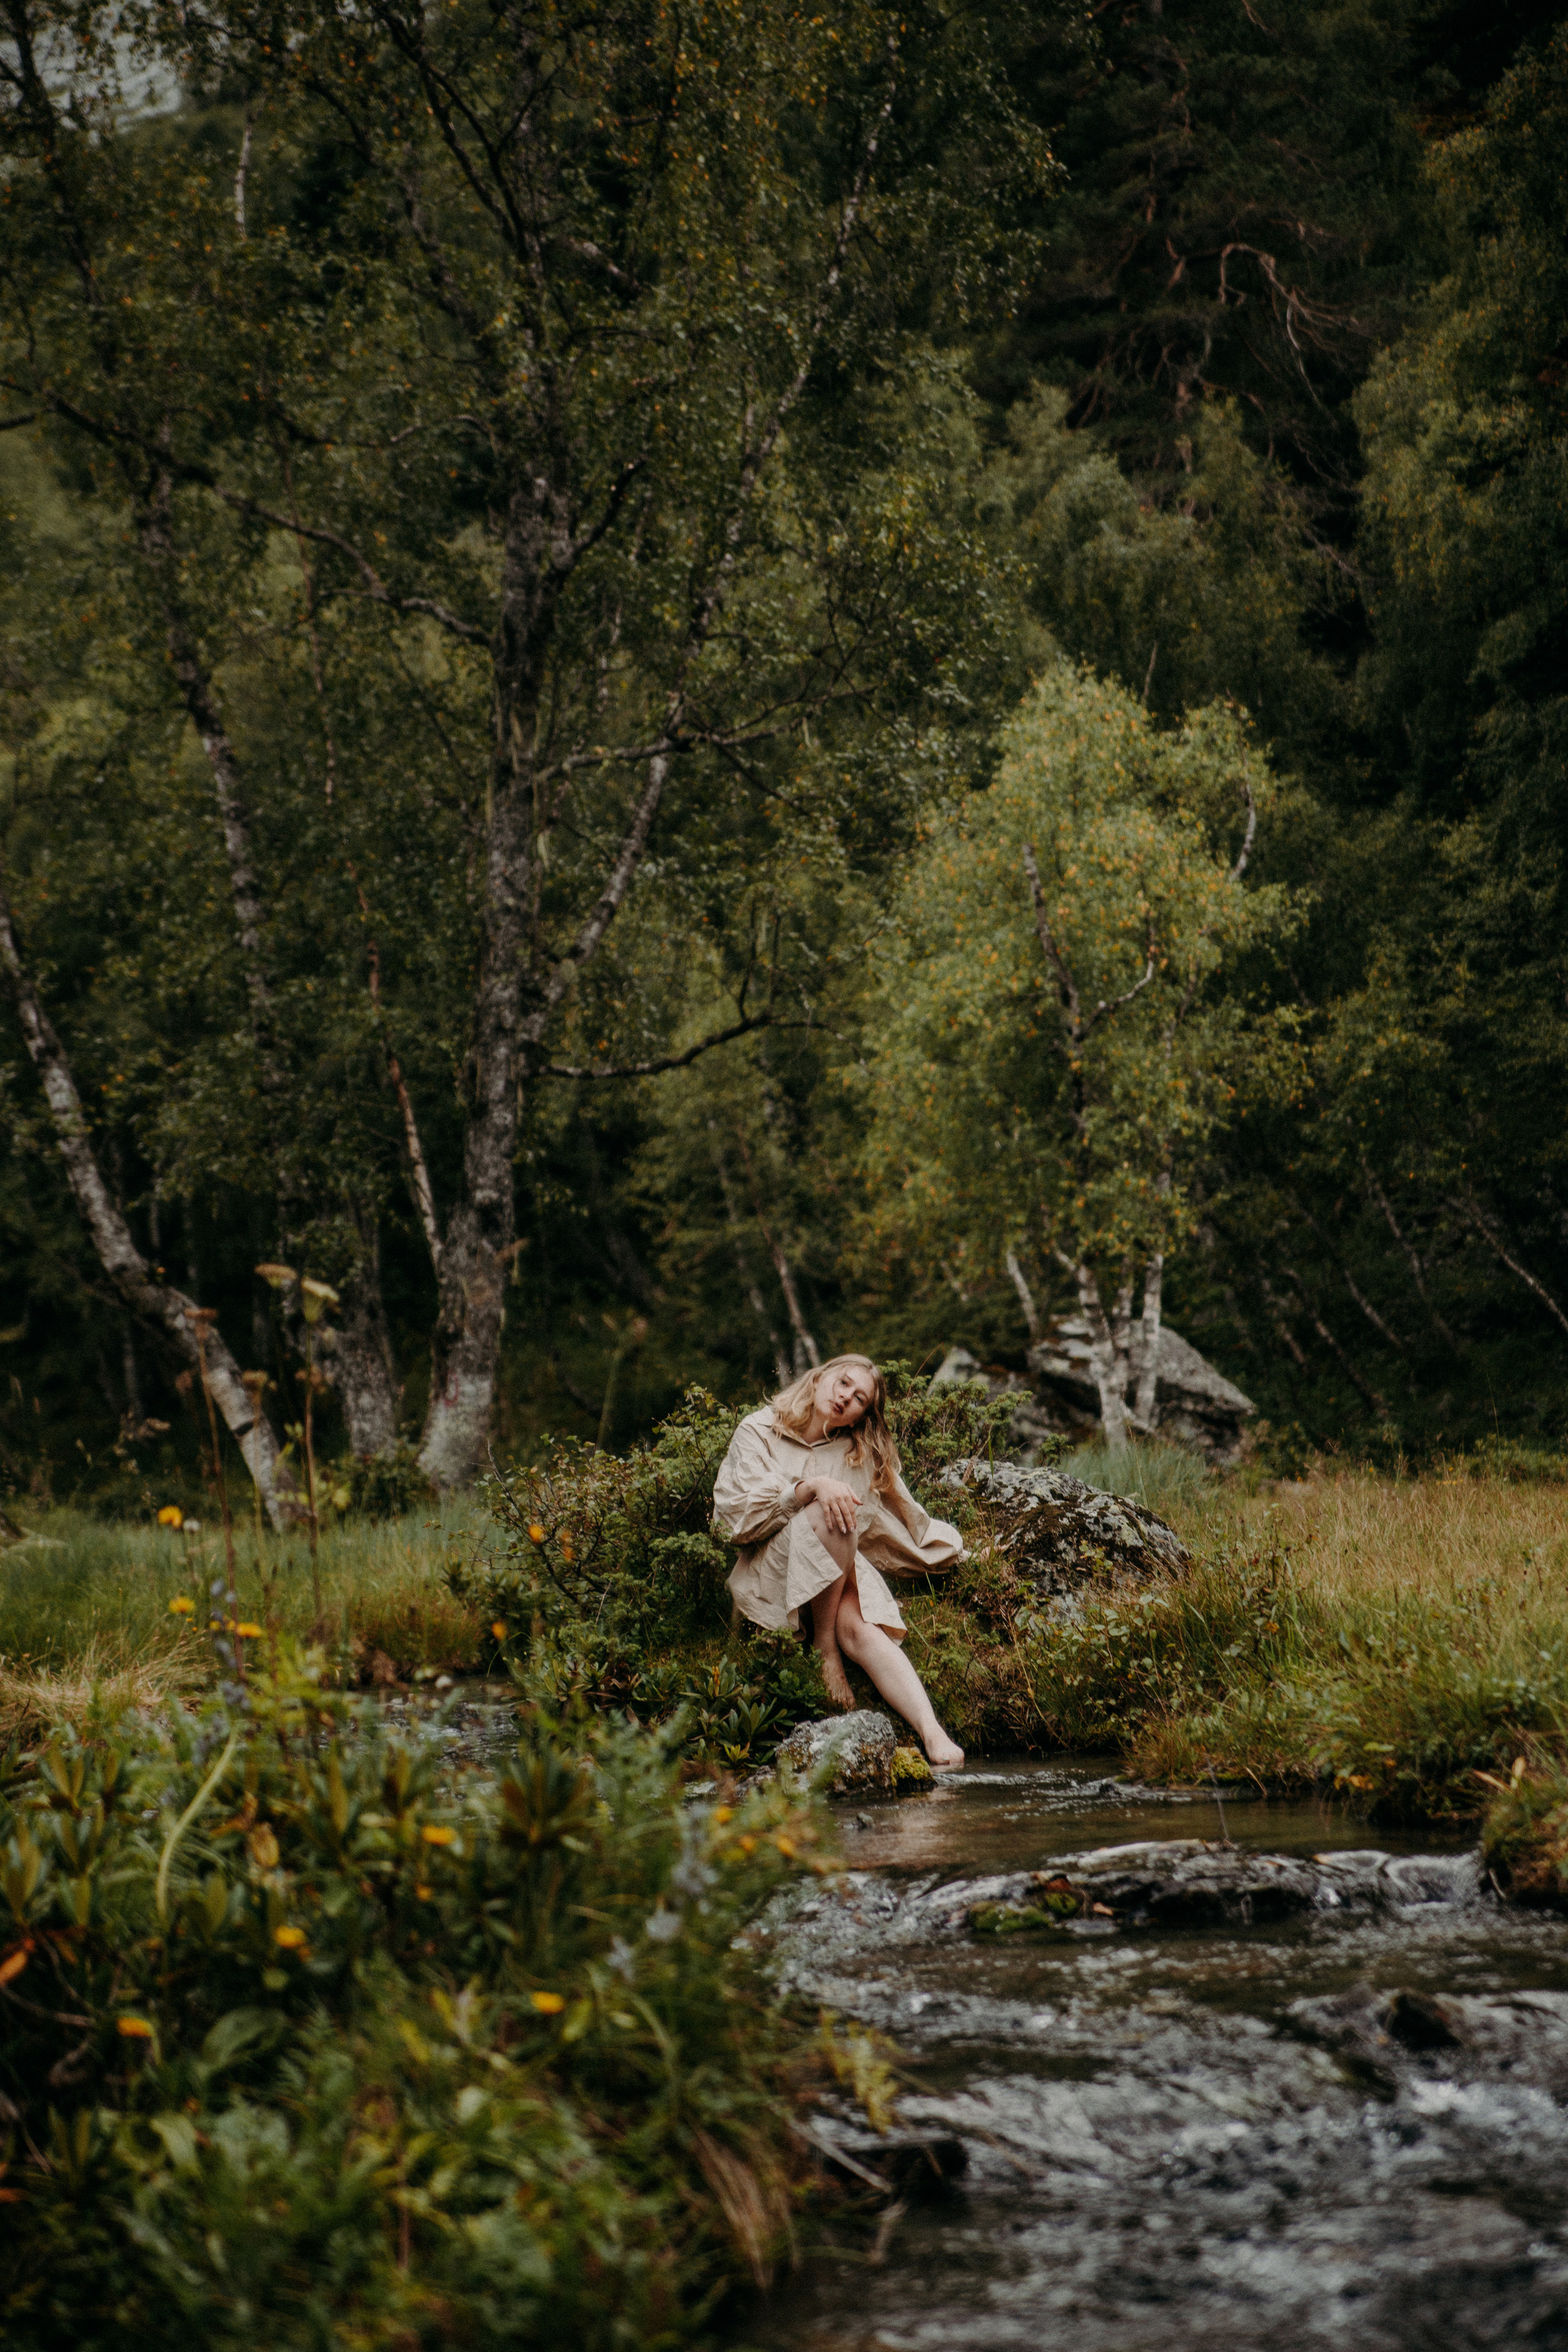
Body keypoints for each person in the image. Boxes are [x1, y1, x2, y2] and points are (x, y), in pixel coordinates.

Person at [712, 1354, 966, 1770]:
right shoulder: (758, 1430)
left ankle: (933, 1733)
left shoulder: (856, 1450)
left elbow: (894, 1518)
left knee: (861, 1628)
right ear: (820, 1378)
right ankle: (825, 1650)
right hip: (770, 1569)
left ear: (859, 1417)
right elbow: (736, 1521)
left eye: (860, 1399)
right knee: (833, 1503)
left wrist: (954, 1553)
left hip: (834, 1571)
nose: (846, 1397)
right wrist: (809, 1488)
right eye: (843, 1383)